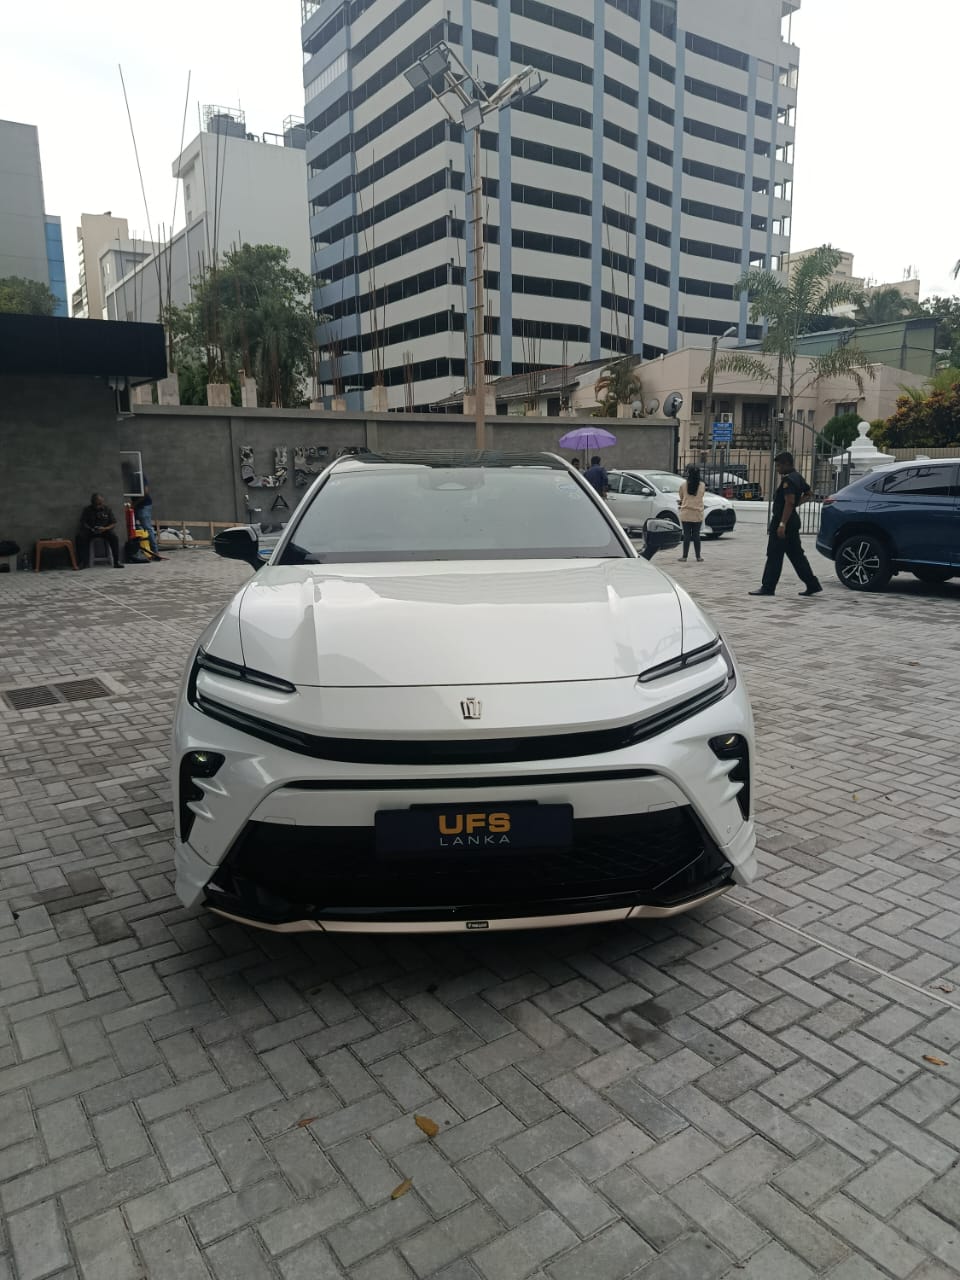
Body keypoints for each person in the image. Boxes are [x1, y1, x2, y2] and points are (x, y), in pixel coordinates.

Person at [749, 451, 822, 598]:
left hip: (783, 521)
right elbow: (809, 494)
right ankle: (812, 584)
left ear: (787, 464)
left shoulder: (788, 480)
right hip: (792, 521)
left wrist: (782, 524)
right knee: (797, 556)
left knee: (774, 555)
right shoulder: (798, 477)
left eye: (779, 465)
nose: (777, 469)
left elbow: (789, 502)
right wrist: (796, 504)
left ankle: (768, 587)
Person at [77, 494, 122, 568]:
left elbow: (113, 523)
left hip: (104, 531)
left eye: (100, 504)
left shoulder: (107, 509)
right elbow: (83, 522)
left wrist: (105, 528)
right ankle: (83, 562)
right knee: (80, 537)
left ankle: (116, 561)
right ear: (92, 503)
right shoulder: (87, 510)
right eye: (96, 504)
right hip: (91, 530)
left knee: (114, 537)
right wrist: (91, 529)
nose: (98, 506)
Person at [678, 464, 706, 563]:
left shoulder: (683, 485)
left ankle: (684, 557)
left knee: (686, 535)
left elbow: (681, 497)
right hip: (697, 513)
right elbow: (702, 495)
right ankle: (698, 557)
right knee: (696, 535)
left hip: (686, 513)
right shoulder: (702, 485)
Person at [133, 481, 165, 559]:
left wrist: (134, 504)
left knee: (147, 527)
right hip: (137, 505)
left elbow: (145, 492)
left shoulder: (139, 476)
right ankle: (142, 550)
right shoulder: (131, 478)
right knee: (135, 527)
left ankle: (155, 552)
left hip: (143, 505)